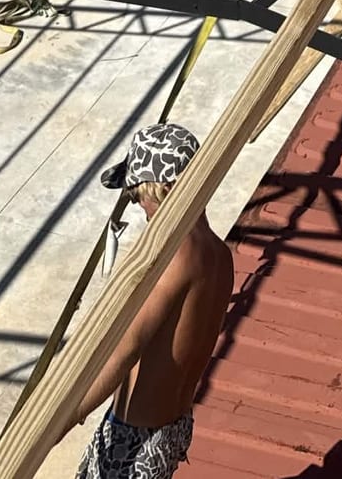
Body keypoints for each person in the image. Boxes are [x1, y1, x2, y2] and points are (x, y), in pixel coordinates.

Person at [70, 122, 235, 479]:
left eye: (140, 195)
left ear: (167, 188)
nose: (140, 206)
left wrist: (65, 417)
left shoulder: (174, 256)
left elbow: (123, 351)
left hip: (132, 437)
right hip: (172, 429)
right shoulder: (221, 256)